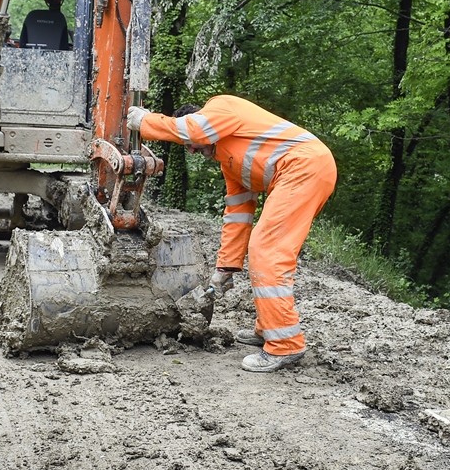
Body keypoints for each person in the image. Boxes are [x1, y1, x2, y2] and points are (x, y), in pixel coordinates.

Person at [128, 95, 338, 373]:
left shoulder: (220, 106)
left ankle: (286, 344)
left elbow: (193, 130)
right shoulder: (233, 162)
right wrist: (225, 267)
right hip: (304, 170)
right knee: (264, 249)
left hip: (304, 167)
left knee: (268, 251)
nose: (190, 151)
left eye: (190, 146)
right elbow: (238, 218)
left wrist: (145, 122)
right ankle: (269, 330)